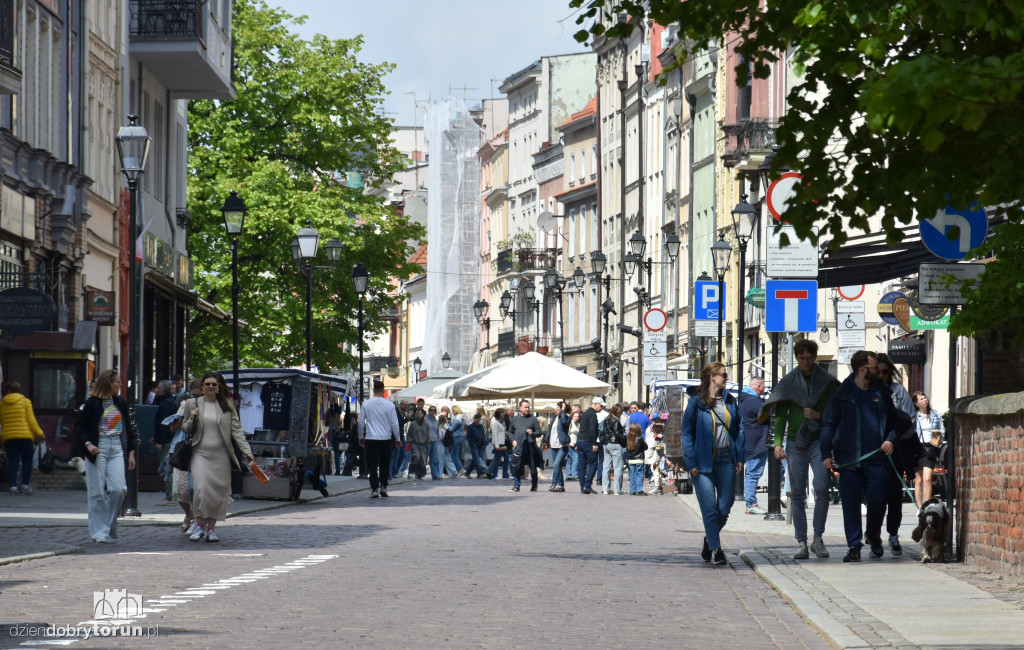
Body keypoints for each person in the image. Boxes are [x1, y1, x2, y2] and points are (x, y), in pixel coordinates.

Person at [821, 350, 909, 563]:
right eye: (874, 368)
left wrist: (890, 439)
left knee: (878, 501)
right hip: (849, 460)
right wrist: (826, 453)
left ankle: (873, 535)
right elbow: (828, 424)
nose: (879, 372)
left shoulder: (882, 392)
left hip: (877, 459)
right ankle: (854, 545)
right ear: (862, 370)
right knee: (850, 503)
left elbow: (897, 423)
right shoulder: (841, 394)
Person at [760, 339, 840, 561]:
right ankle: (801, 542)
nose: (805, 361)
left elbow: (836, 412)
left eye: (809, 357)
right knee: (796, 493)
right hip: (795, 442)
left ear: (815, 357)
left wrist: (818, 416)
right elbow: (781, 414)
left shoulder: (826, 382)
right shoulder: (788, 383)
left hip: (819, 442)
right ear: (797, 358)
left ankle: (818, 538)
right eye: (801, 357)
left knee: (822, 488)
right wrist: (777, 442)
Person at [682, 362, 744, 566]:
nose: (726, 378)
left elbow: (739, 430)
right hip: (702, 462)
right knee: (709, 507)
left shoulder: (730, 401)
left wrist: (739, 456)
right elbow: (687, 433)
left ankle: (709, 539)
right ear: (712, 377)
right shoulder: (696, 402)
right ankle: (717, 550)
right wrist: (691, 460)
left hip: (727, 458)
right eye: (724, 375)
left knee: (725, 506)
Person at [180, 372, 254, 542]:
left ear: (219, 387)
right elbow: (185, 428)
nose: (211, 387)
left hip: (221, 455)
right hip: (200, 453)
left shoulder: (227, 405)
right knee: (200, 488)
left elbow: (236, 430)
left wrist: (246, 450)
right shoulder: (193, 403)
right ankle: (199, 524)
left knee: (218, 492)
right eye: (207, 384)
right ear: (202, 387)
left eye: (214, 384)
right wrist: (193, 418)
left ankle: (211, 528)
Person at [73, 370, 138, 542]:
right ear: (108, 383)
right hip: (98, 447)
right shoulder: (92, 404)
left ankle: (110, 523)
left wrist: (131, 451)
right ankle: (99, 532)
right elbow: (80, 428)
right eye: (117, 382)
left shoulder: (120, 402)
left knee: (119, 489)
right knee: (97, 492)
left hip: (117, 447)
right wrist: (89, 444)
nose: (120, 384)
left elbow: (128, 429)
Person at [876, 353, 919, 557]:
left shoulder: (898, 391)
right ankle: (874, 536)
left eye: (886, 372)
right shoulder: (868, 392)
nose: (882, 375)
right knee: (875, 497)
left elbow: (910, 421)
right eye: (879, 371)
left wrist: (895, 437)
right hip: (875, 453)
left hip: (896, 451)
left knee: (894, 496)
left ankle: (893, 534)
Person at [1, 381, 46, 495]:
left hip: (9, 437)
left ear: (8, 391)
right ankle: (25, 485)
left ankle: (13, 486)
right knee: (27, 461)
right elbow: (31, 420)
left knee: (13, 461)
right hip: (25, 436)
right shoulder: (25, 402)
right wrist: (40, 433)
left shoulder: (2, 404)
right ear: (19, 390)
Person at [359, 380, 401, 498]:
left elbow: (361, 422)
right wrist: (397, 438)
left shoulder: (366, 404)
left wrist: (361, 437)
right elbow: (394, 424)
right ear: (383, 391)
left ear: (373, 391)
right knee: (384, 463)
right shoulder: (390, 405)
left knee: (372, 464)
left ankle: (374, 489)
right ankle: (383, 485)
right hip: (385, 438)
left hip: (371, 437)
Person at [738, 377, 770, 515]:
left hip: (752, 441)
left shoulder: (744, 399)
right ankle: (751, 504)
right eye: (764, 385)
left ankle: (751, 502)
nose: (765, 388)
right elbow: (770, 414)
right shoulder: (754, 402)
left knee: (752, 472)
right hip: (757, 442)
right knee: (753, 473)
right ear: (758, 386)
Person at [912, 391, 945, 509]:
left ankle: (928, 506)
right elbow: (911, 432)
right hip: (917, 448)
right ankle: (920, 508)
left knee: (927, 478)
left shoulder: (935, 415)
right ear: (916, 403)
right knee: (919, 480)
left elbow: (942, 430)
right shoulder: (915, 416)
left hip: (930, 448)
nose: (924, 400)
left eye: (925, 398)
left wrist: (935, 441)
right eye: (921, 399)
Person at [152, 380, 179, 505]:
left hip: (167, 440)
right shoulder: (172, 402)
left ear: (162, 390)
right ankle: (171, 496)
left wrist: (159, 441)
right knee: (169, 467)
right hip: (172, 439)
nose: (156, 390)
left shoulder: (165, 404)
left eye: (158, 388)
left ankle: (170, 497)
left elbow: (163, 424)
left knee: (166, 468)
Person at [508, 399, 542, 492]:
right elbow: (510, 431)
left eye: (528, 407)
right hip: (519, 446)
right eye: (525, 407)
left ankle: (534, 485)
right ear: (520, 408)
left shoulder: (533, 418)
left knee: (533, 466)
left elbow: (539, 432)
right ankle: (516, 485)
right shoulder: (515, 419)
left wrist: (532, 433)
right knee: (518, 466)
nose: (527, 409)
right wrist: (513, 440)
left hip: (530, 445)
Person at [576, 397, 603, 494]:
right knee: (594, 463)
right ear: (595, 404)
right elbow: (592, 429)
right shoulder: (592, 414)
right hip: (588, 441)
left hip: (580, 440)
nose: (602, 408)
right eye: (601, 406)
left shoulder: (586, 413)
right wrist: (595, 443)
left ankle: (583, 486)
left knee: (582, 465)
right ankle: (587, 485)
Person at [601, 404, 627, 495]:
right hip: (615, 443)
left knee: (606, 467)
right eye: (620, 412)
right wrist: (625, 438)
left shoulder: (606, 419)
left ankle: (605, 488)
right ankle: (617, 489)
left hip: (606, 443)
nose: (621, 414)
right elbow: (617, 433)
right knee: (618, 467)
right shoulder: (615, 420)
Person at [547, 400, 571, 492]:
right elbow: (550, 429)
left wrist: (564, 410)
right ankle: (561, 486)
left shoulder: (567, 418)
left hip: (562, 445)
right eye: (555, 409)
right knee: (558, 466)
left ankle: (554, 484)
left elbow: (564, 422)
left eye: (557, 409)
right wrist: (546, 439)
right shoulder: (554, 417)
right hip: (553, 445)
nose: (555, 410)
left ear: (562, 410)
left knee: (556, 464)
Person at [406, 408, 430, 479]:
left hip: (423, 444)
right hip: (415, 443)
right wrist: (410, 441)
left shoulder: (426, 425)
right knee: (416, 457)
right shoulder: (413, 424)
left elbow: (428, 434)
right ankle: (411, 471)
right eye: (418, 413)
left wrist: (428, 440)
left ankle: (420, 474)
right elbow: (409, 433)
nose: (420, 415)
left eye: (421, 413)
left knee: (423, 460)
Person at [464, 412, 489, 478]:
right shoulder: (470, 427)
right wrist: (472, 444)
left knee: (475, 460)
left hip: (481, 445)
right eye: (476, 419)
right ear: (473, 419)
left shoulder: (481, 426)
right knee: (478, 459)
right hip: (474, 446)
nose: (478, 421)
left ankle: (467, 473)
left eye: (479, 420)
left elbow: (482, 435)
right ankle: (480, 473)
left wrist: (483, 443)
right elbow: (468, 436)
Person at [443, 405, 466, 478]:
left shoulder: (457, 419)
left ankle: (460, 469)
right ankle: (458, 470)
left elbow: (452, 429)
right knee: (456, 455)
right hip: (461, 436)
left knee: (454, 455)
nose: (452, 413)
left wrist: (447, 426)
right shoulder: (462, 418)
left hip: (456, 437)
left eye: (453, 411)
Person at [625, 423, 648, 495]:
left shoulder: (628, 438)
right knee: (639, 475)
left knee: (632, 475)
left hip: (631, 460)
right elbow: (645, 447)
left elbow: (627, 449)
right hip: (639, 459)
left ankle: (632, 490)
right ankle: (639, 490)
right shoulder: (640, 438)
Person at [487, 407, 510, 479]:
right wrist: (496, 445)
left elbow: (500, 431)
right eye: (502, 412)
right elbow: (494, 434)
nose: (504, 414)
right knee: (497, 459)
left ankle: (505, 474)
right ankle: (494, 474)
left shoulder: (501, 421)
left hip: (502, 442)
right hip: (498, 443)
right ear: (498, 414)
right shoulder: (495, 422)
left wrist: (505, 432)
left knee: (506, 458)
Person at [425, 405, 444, 480]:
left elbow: (437, 431)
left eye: (434, 410)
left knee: (435, 459)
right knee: (424, 459)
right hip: (427, 441)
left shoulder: (436, 421)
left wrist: (438, 440)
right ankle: (419, 473)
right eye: (431, 410)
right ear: (429, 411)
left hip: (435, 441)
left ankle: (436, 475)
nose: (432, 412)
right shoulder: (425, 419)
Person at [565, 405, 580, 480]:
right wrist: (569, 443)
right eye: (575, 416)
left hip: (574, 444)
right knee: (575, 458)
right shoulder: (570, 423)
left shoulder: (577, 424)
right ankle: (574, 474)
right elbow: (567, 433)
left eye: (578, 416)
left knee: (570, 459)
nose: (576, 418)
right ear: (572, 416)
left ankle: (568, 475)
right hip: (569, 444)